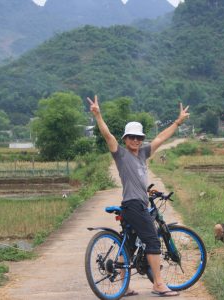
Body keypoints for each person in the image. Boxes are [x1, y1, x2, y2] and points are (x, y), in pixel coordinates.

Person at [87, 95, 189, 297]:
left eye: (139, 137)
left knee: (131, 245)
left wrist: (178, 122)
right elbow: (108, 136)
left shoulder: (143, 154)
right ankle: (159, 284)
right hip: (134, 206)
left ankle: (123, 286)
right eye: (131, 137)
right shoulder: (121, 155)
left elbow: (161, 138)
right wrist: (98, 115)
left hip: (137, 203)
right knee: (152, 242)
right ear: (125, 139)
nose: (135, 140)